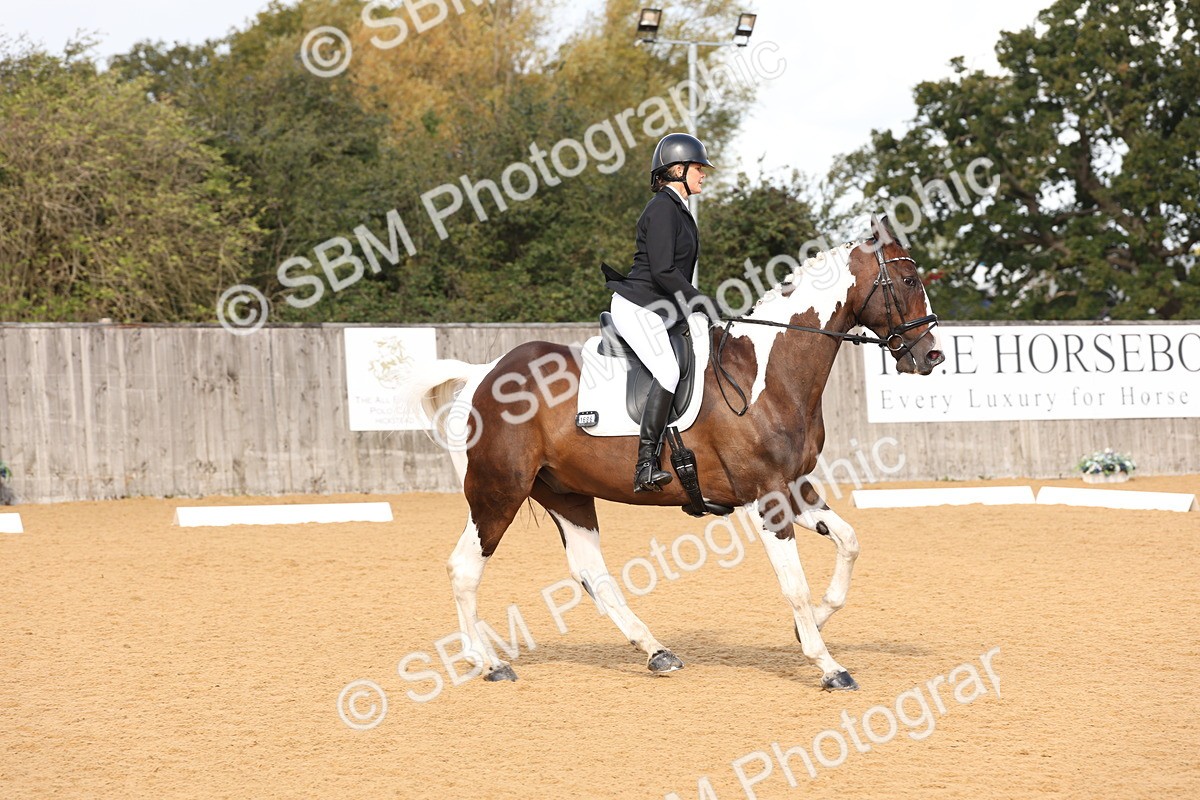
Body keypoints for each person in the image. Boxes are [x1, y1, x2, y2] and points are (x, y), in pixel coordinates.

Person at [602, 132, 721, 493]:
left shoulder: (679, 210)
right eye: (698, 168)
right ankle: (645, 465)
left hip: (661, 307)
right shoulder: (662, 209)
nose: (703, 174)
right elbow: (663, 271)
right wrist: (698, 300)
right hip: (638, 305)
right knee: (667, 371)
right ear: (677, 170)